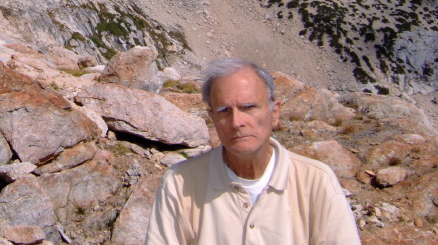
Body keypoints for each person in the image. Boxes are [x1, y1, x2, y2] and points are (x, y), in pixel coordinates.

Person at [144, 58, 361, 244]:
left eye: (248, 107)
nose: (237, 122)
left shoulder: (316, 183)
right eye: (224, 110)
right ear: (212, 118)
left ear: (274, 113)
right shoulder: (181, 184)